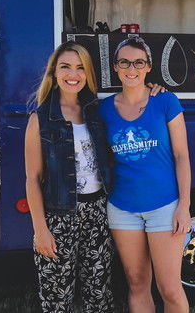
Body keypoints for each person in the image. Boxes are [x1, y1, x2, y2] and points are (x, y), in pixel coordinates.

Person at [99, 36, 192, 313]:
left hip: (164, 206)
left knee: (170, 288)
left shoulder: (165, 101)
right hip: (122, 208)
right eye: (125, 62)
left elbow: (181, 155)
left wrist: (184, 206)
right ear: (115, 67)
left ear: (148, 67)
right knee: (137, 283)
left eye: (139, 63)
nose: (132, 69)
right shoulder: (103, 109)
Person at [24, 41, 114, 312]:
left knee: (98, 292)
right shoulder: (40, 119)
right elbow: (32, 179)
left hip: (97, 212)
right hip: (58, 217)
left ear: (88, 74)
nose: (73, 74)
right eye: (65, 67)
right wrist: (41, 230)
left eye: (80, 67)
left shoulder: (97, 112)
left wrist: (155, 89)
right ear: (53, 73)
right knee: (57, 296)